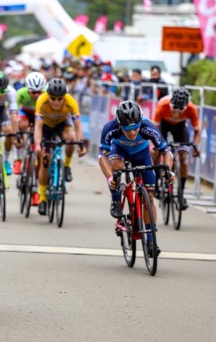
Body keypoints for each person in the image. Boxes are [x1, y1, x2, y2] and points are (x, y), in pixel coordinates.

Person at [99, 101, 173, 256]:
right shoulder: (109, 128)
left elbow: (166, 151)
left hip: (142, 154)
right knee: (116, 167)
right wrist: (109, 178)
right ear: (119, 125)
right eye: (127, 129)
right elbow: (102, 157)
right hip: (119, 151)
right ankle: (116, 199)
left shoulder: (148, 126)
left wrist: (168, 171)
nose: (132, 132)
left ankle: (151, 240)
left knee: (150, 198)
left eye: (135, 127)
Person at [34, 78, 87, 215]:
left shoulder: (71, 101)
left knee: (71, 138)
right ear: (48, 96)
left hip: (62, 125)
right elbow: (38, 126)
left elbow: (78, 125)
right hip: (46, 127)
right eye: (53, 98)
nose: (56, 102)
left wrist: (81, 144)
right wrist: (38, 144)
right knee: (45, 160)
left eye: (59, 99)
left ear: (64, 97)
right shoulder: (42, 100)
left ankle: (67, 165)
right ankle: (42, 198)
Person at [152, 87, 200, 208]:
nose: (177, 113)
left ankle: (181, 194)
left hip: (180, 127)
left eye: (181, 110)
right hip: (163, 125)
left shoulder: (191, 109)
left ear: (186, 106)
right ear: (170, 104)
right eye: (174, 109)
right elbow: (153, 129)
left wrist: (194, 146)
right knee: (157, 152)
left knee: (183, 157)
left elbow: (197, 131)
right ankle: (156, 184)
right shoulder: (162, 105)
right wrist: (156, 146)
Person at [15, 71, 47, 203]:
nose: (36, 95)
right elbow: (14, 116)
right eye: (33, 92)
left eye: (39, 92)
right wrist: (18, 136)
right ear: (28, 90)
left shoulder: (46, 95)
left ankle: (36, 190)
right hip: (26, 114)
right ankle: (19, 157)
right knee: (22, 124)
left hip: (40, 116)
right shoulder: (20, 94)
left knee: (40, 157)